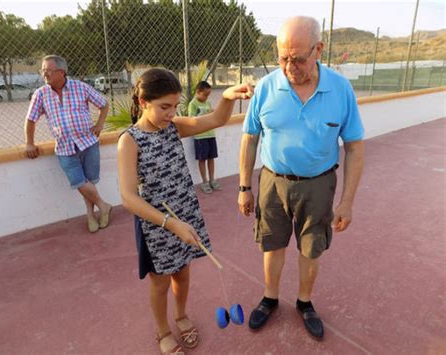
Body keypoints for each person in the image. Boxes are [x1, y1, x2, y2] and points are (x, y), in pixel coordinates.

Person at [238, 16, 364, 340]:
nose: (289, 66)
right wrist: (244, 187)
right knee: (272, 245)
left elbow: (354, 147)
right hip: (272, 182)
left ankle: (305, 303)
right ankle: (270, 297)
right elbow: (249, 138)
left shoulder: (340, 89)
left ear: (318, 49)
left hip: (319, 184)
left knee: (311, 249)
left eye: (298, 58)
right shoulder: (266, 88)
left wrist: (347, 202)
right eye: (282, 57)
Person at [117, 68, 252, 354]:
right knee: (160, 282)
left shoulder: (174, 127)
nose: (171, 112)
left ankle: (180, 315)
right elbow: (128, 197)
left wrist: (227, 96)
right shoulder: (129, 141)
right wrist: (170, 224)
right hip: (156, 224)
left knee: (182, 272)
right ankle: (163, 330)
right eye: (164, 107)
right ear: (143, 102)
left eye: (175, 106)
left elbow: (216, 118)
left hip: (185, 212)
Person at [24, 55, 112, 233]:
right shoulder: (40, 94)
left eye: (48, 70)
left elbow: (103, 104)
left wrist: (99, 125)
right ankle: (103, 206)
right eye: (43, 70)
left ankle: (90, 214)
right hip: (64, 147)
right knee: (79, 182)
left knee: (89, 181)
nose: (44, 74)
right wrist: (29, 143)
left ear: (61, 72)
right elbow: (30, 120)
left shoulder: (81, 87)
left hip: (88, 142)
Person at [188, 81, 221, 194]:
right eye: (205, 94)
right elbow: (191, 119)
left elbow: (211, 116)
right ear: (198, 92)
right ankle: (205, 181)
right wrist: (206, 114)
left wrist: (213, 113)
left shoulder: (207, 103)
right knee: (202, 159)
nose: (207, 97)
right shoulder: (193, 104)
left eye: (208, 95)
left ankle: (212, 179)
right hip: (200, 136)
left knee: (211, 158)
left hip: (210, 134)